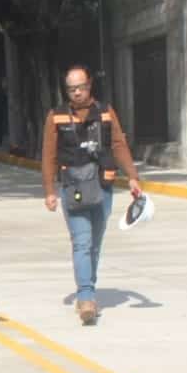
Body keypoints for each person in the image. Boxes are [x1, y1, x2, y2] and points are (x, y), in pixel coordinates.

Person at [42, 65, 142, 325]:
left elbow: (118, 144)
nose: (76, 92)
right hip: (72, 188)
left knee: (95, 244)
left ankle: (88, 289)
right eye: (71, 89)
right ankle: (86, 298)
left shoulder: (106, 112)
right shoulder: (56, 116)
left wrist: (132, 176)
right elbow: (49, 155)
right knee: (82, 242)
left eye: (80, 87)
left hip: (103, 187)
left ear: (89, 86)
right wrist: (50, 191)